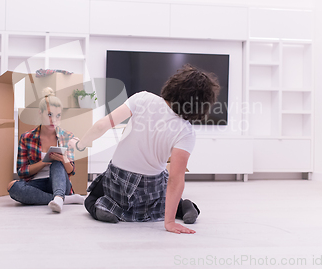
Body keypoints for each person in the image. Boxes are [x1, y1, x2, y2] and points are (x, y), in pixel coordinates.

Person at [76, 64, 220, 234]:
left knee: (93, 194)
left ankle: (105, 208)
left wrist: (80, 145)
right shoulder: (186, 131)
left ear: (173, 84)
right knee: (163, 183)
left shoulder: (142, 98)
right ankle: (184, 207)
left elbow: (102, 126)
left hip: (118, 184)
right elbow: (176, 179)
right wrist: (169, 222)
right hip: (150, 192)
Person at [7, 87, 84, 213]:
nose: (54, 120)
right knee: (12, 186)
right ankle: (68, 199)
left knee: (57, 163)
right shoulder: (27, 138)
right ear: (40, 113)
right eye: (49, 115)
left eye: (58, 115)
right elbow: (21, 172)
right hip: (37, 185)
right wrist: (45, 161)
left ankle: (59, 197)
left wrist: (62, 159)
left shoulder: (66, 136)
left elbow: (71, 171)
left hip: (60, 183)